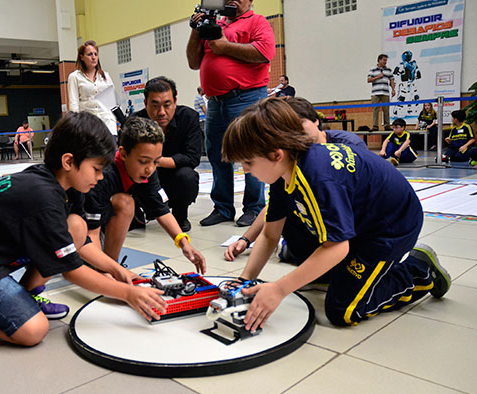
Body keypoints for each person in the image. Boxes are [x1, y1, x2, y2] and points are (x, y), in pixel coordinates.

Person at [221, 98, 450, 330]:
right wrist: (243, 280)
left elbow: (338, 246)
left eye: (248, 162)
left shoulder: (318, 176)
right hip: (357, 220)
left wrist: (279, 289)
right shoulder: (286, 172)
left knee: (342, 311)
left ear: (276, 154)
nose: (245, 170)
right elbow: (270, 235)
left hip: (389, 228)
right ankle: (337, 273)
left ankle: (419, 269)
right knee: (291, 222)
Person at [0, 112, 167, 346]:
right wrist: (127, 293)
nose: (100, 177)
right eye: (97, 169)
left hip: (1, 253)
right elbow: (71, 270)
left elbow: (79, 245)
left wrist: (117, 270)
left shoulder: (70, 186)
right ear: (69, 161)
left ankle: (25, 295)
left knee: (77, 226)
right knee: (34, 331)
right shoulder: (43, 197)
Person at [224, 97, 366, 263]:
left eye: (300, 124)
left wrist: (280, 287)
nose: (295, 131)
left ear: (316, 121)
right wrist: (245, 239)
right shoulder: (289, 160)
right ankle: (299, 251)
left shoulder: (342, 149)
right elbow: (274, 208)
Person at [187, 0, 275, 227]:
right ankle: (223, 208)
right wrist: (197, 31)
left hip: (246, 97)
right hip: (216, 102)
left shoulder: (257, 21)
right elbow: (193, 62)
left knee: (251, 153)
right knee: (217, 154)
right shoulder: (216, 22)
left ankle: (254, 209)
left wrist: (224, 46)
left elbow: (264, 53)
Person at [84, 116, 206, 274]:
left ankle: (110, 265)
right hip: (79, 227)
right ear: (123, 154)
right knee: (86, 261)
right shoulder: (102, 176)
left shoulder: (147, 173)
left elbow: (160, 209)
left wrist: (184, 243)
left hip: (99, 222)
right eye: (143, 161)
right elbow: (91, 232)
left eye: (156, 162)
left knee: (126, 203)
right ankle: (105, 269)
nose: (150, 169)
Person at [134, 77, 202, 232]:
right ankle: (138, 213)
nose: (161, 112)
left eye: (167, 105)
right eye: (155, 105)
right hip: (146, 178)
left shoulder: (189, 118)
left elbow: (192, 158)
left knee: (187, 176)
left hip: (175, 178)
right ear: (145, 103)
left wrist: (154, 160)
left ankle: (180, 215)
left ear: (175, 101)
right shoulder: (135, 122)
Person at [67, 40, 118, 138]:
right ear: (81, 57)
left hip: (107, 123)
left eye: (95, 54)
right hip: (87, 124)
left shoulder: (105, 76)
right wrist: (76, 125)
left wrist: (119, 120)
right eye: (90, 54)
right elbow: (74, 104)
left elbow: (113, 102)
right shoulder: (74, 77)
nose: (94, 57)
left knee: (109, 152)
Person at [367, 54, 396, 131]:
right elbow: (368, 80)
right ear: (379, 60)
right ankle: (375, 126)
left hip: (385, 92)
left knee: (386, 109)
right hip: (375, 93)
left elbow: (392, 79)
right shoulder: (373, 69)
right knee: (375, 110)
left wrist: (393, 89)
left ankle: (387, 126)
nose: (385, 62)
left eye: (386, 60)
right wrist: (378, 77)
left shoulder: (388, 70)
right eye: (384, 60)